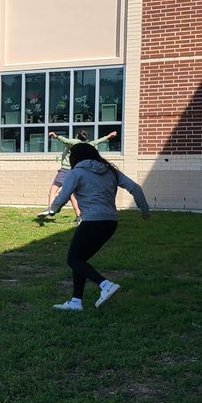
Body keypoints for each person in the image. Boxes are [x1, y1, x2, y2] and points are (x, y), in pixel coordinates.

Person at [40, 142, 149, 311]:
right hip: (111, 222)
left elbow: (63, 196)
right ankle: (76, 302)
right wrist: (144, 211)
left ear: (75, 158)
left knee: (74, 260)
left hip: (92, 222)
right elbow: (135, 187)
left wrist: (52, 210)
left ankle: (105, 285)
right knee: (80, 260)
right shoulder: (110, 171)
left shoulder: (76, 173)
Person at [39, 130, 117, 223]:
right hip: (76, 170)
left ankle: (51, 209)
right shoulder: (87, 145)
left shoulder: (73, 142)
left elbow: (65, 140)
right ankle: (79, 216)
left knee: (53, 189)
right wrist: (108, 136)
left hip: (65, 169)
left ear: (77, 136)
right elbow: (97, 142)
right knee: (72, 195)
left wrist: (55, 136)